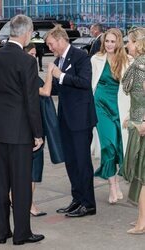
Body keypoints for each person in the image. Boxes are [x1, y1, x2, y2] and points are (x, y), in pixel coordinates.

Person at [0, 14, 45, 245]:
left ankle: (2, 232)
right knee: (21, 185)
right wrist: (37, 133)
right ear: (26, 32)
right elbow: (31, 101)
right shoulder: (26, 61)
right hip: (20, 133)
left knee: (1, 183)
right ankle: (22, 233)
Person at [45, 25, 97, 217]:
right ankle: (77, 199)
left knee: (82, 162)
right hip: (66, 119)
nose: (50, 48)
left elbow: (84, 83)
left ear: (60, 40)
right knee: (71, 162)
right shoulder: (59, 59)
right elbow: (60, 89)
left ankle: (88, 203)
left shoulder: (80, 56)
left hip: (81, 119)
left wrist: (61, 75)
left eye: (51, 44)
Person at [23, 43, 64, 217]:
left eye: (34, 54)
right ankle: (29, 204)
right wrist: (49, 72)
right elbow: (46, 92)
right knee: (33, 168)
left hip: (32, 126)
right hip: (34, 128)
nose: (33, 57)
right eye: (30, 54)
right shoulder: (28, 76)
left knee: (28, 167)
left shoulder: (27, 74)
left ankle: (16, 199)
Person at [91, 28, 131, 204]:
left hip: (119, 107)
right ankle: (113, 186)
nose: (109, 44)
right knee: (108, 146)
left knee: (118, 147)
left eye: (112, 41)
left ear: (119, 42)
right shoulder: (96, 59)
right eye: (106, 41)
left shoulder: (128, 61)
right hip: (100, 106)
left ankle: (115, 183)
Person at [122, 27, 145, 234]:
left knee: (142, 175)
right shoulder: (138, 65)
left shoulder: (140, 68)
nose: (126, 45)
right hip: (138, 121)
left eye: (129, 42)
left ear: (138, 45)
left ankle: (142, 223)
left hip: (142, 127)